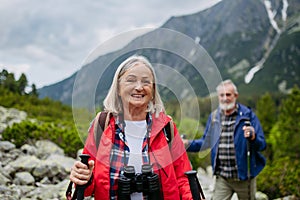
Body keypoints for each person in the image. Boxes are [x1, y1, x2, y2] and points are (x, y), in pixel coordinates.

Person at [70, 55, 193, 200]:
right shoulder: (102, 124)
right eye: (131, 80)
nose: (139, 87)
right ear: (118, 88)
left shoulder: (167, 127)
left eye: (146, 82)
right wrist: (83, 179)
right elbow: (85, 189)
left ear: (153, 91)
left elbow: (183, 179)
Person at [183, 79, 266, 200]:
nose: (225, 98)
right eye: (222, 95)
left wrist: (253, 137)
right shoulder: (214, 117)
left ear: (235, 96)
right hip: (223, 178)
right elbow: (206, 142)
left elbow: (262, 145)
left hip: (244, 178)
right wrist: (187, 144)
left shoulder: (248, 116)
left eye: (228, 94)